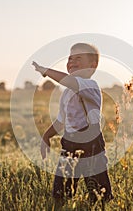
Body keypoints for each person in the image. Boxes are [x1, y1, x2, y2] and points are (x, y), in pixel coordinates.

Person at [32, 43, 113, 207]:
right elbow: (61, 121)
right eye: (70, 58)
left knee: (98, 189)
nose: (72, 62)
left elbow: (69, 81)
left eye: (78, 58)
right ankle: (62, 203)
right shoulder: (67, 92)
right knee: (61, 189)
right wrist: (47, 136)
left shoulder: (89, 85)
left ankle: (101, 203)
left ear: (92, 66)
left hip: (91, 142)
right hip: (69, 142)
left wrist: (47, 71)